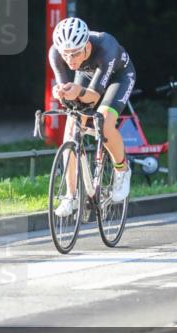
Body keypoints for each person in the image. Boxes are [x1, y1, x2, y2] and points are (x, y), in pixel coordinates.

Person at [49, 17, 136, 214]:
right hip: (88, 75)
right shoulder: (55, 53)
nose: (70, 61)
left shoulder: (106, 46)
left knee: (103, 123)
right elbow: (66, 91)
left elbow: (94, 96)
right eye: (66, 55)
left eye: (74, 54)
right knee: (71, 129)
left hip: (118, 76)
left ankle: (122, 170)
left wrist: (78, 92)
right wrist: (61, 92)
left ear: (86, 46)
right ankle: (70, 197)